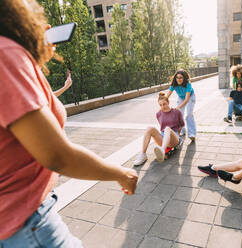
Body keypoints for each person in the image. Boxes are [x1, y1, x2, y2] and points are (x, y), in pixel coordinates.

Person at [0, 1, 138, 247]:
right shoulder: (5, 54)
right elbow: (57, 156)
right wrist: (121, 173)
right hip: (26, 223)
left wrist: (37, 55)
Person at [133, 92, 185, 166]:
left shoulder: (176, 112)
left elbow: (182, 125)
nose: (162, 106)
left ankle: (162, 150)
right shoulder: (158, 114)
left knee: (167, 129)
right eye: (160, 105)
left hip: (174, 139)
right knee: (149, 128)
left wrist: (178, 136)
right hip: (164, 139)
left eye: (164, 104)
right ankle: (143, 155)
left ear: (168, 102)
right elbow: (161, 128)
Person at [167, 69, 196, 141]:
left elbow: (186, 99)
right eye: (177, 77)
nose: (178, 79)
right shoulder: (174, 84)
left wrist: (178, 107)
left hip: (190, 97)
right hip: (181, 97)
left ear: (184, 78)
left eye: (181, 78)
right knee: (180, 114)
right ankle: (182, 130)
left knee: (189, 114)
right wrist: (163, 103)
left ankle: (192, 134)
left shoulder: (188, 83)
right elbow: (167, 96)